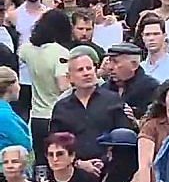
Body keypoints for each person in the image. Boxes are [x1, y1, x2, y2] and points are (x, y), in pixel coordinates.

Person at [49, 49, 131, 170]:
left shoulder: (113, 100)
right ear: (70, 77)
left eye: (89, 68)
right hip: (75, 170)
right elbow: (56, 144)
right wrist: (79, 163)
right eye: (80, 70)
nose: (86, 73)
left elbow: (123, 137)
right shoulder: (62, 107)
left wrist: (105, 160)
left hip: (110, 169)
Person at [19, 10, 71, 165]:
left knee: (41, 162)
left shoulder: (27, 50)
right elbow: (63, 86)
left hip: (36, 117)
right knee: (58, 162)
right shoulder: (61, 52)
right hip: (55, 115)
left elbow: (20, 54)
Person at [137, 17, 169, 83]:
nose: (151, 38)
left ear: (164, 36)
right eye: (147, 35)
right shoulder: (140, 68)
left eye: (156, 34)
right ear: (142, 37)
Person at [0, 68, 30, 153]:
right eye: (18, 83)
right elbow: (25, 145)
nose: (19, 87)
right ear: (11, 87)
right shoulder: (6, 117)